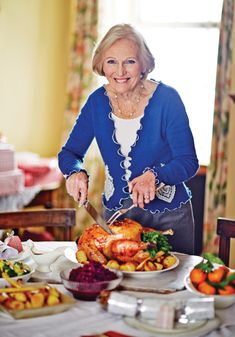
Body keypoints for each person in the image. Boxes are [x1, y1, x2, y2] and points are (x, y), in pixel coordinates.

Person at [58, 24, 199, 254]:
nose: (120, 71)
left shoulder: (167, 100)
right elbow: (69, 153)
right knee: (119, 285)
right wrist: (75, 172)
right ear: (101, 65)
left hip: (170, 218)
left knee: (170, 286)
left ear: (144, 64)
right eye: (111, 61)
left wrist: (156, 176)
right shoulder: (96, 102)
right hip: (118, 219)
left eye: (130, 61)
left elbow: (188, 161)